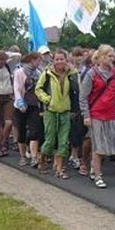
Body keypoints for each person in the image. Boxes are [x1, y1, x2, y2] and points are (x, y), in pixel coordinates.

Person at [80, 45, 115, 189]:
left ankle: (93, 167)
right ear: (102, 57)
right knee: (98, 146)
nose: (112, 58)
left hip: (111, 114)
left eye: (113, 56)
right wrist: (86, 114)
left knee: (108, 146)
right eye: (109, 56)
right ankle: (98, 175)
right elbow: (83, 96)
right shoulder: (92, 73)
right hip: (96, 114)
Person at [35, 49, 79, 178]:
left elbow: (76, 91)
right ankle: (42, 159)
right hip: (51, 111)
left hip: (66, 111)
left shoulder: (72, 73)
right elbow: (38, 89)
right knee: (50, 140)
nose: (60, 61)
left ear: (66, 60)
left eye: (62, 59)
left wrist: (75, 109)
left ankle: (59, 169)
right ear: (53, 60)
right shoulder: (47, 74)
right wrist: (47, 99)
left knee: (63, 141)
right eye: (57, 59)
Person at [13, 52, 44, 167]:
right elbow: (16, 88)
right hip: (21, 105)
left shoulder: (39, 73)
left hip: (34, 105)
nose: (39, 63)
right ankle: (23, 156)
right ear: (32, 60)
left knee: (35, 130)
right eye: (38, 61)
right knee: (21, 132)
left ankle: (34, 157)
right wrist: (20, 101)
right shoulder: (19, 72)